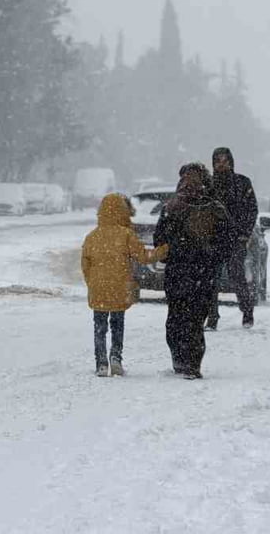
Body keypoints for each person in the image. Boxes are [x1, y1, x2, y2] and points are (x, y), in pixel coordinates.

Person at [154, 162, 233, 379]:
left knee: (177, 316)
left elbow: (159, 240)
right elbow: (227, 243)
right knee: (195, 319)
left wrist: (173, 253)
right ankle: (191, 363)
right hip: (203, 273)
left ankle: (180, 359)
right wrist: (213, 259)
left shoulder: (171, 208)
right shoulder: (216, 209)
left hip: (179, 272)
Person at [81, 193, 168, 376]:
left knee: (99, 327)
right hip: (119, 288)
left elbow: (85, 265)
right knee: (117, 325)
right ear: (123, 212)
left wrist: (92, 283)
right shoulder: (126, 234)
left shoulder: (92, 237)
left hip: (99, 289)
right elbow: (144, 257)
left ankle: (101, 363)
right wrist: (165, 250)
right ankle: (116, 358)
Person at [209, 147, 259, 330]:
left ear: (231, 162)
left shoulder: (242, 183)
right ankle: (212, 317)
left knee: (236, 276)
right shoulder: (209, 185)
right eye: (218, 161)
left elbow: (251, 210)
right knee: (210, 279)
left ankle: (247, 311)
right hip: (213, 240)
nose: (221, 164)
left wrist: (244, 234)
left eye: (225, 161)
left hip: (236, 239)